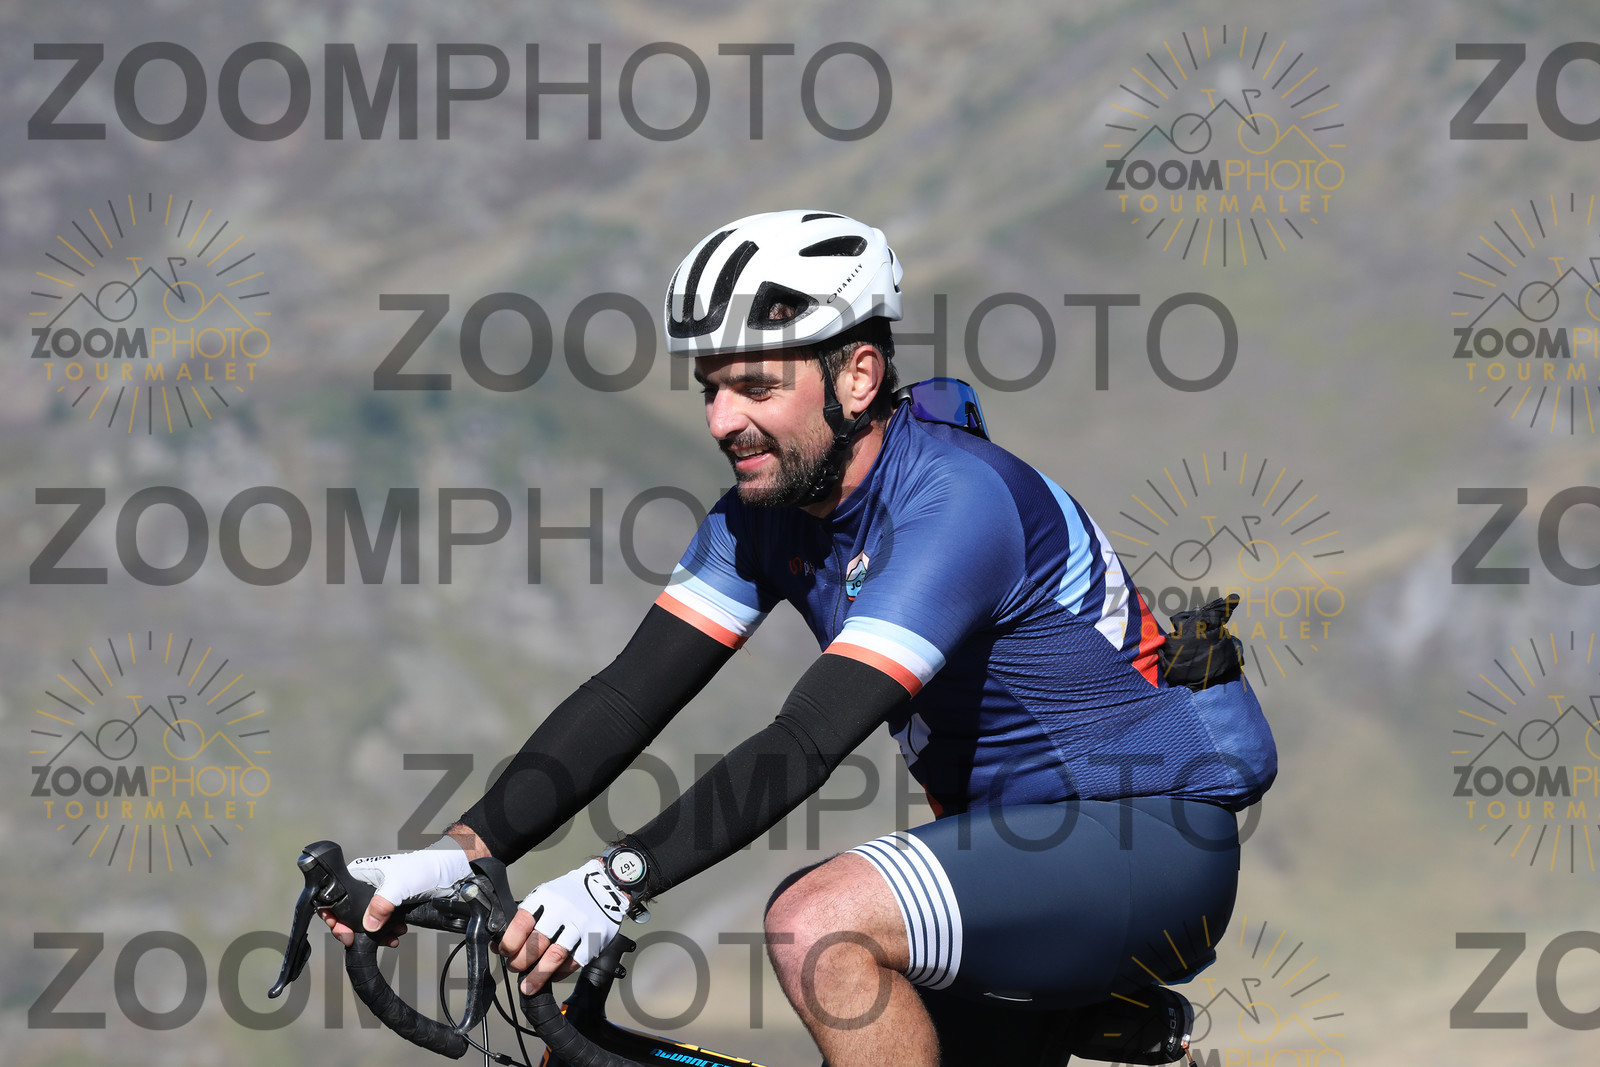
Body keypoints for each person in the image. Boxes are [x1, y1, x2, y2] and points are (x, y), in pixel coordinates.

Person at [324, 210, 1277, 1066]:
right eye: (709, 388)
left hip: (1149, 840)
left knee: (819, 924)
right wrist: (467, 848)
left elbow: (808, 738)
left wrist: (618, 879)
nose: (722, 420)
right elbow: (626, 697)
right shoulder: (762, 516)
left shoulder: (956, 502)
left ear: (856, 376)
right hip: (1002, 859)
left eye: (753, 385)